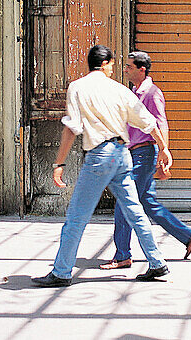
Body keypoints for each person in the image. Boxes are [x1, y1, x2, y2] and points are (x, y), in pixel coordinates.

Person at [32, 44, 173, 288]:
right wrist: (163, 148)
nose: (115, 68)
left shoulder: (78, 87)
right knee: (135, 211)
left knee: (77, 216)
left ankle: (62, 271)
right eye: (113, 64)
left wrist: (59, 162)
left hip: (100, 155)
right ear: (105, 63)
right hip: (122, 154)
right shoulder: (119, 89)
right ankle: (156, 262)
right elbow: (148, 122)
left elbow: (71, 128)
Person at [100, 50, 191, 269]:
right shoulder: (135, 92)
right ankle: (187, 235)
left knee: (124, 201)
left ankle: (122, 255)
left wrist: (165, 152)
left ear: (141, 69)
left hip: (144, 153)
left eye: (129, 67)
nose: (125, 70)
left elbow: (161, 123)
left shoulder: (152, 93)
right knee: (147, 203)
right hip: (134, 152)